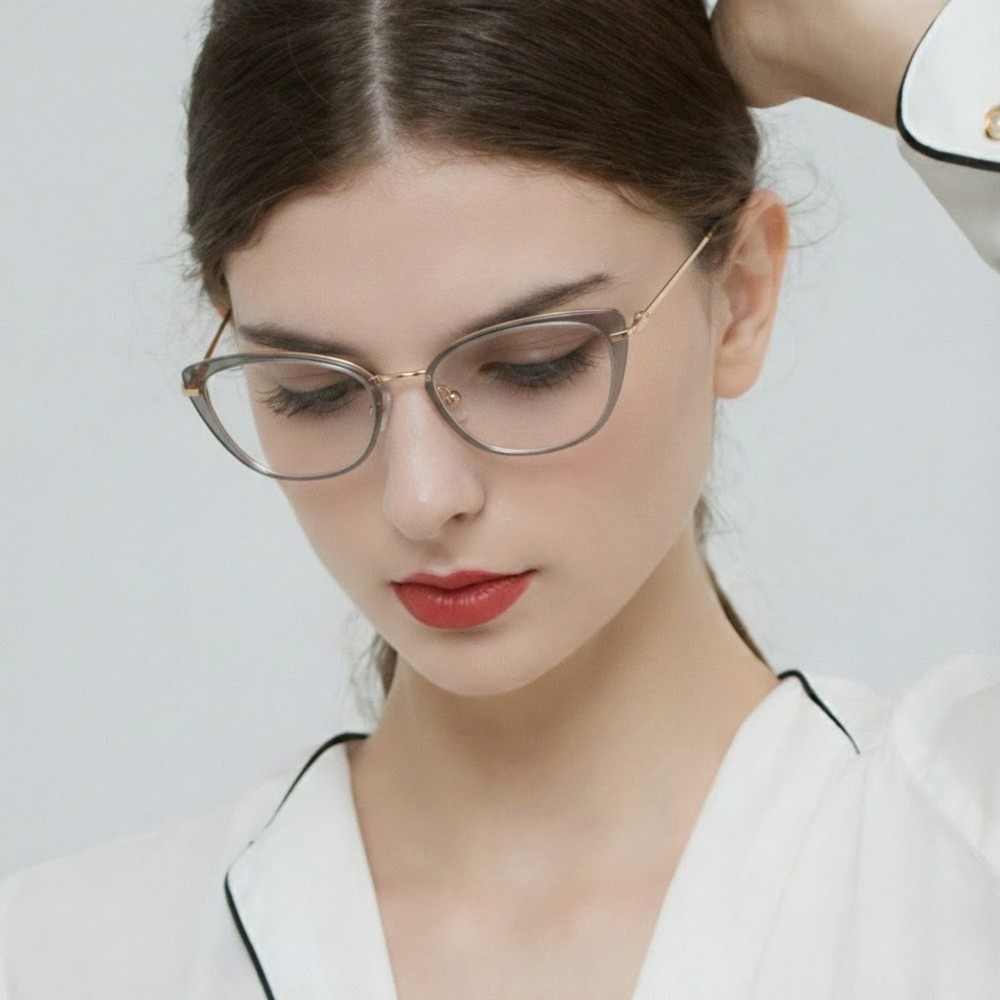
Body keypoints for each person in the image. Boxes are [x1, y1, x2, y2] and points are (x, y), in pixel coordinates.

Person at [1, 0, 998, 997]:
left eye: (533, 364)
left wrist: (923, 53)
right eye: (315, 390)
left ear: (740, 292)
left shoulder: (961, 853)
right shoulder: (66, 957)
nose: (420, 498)